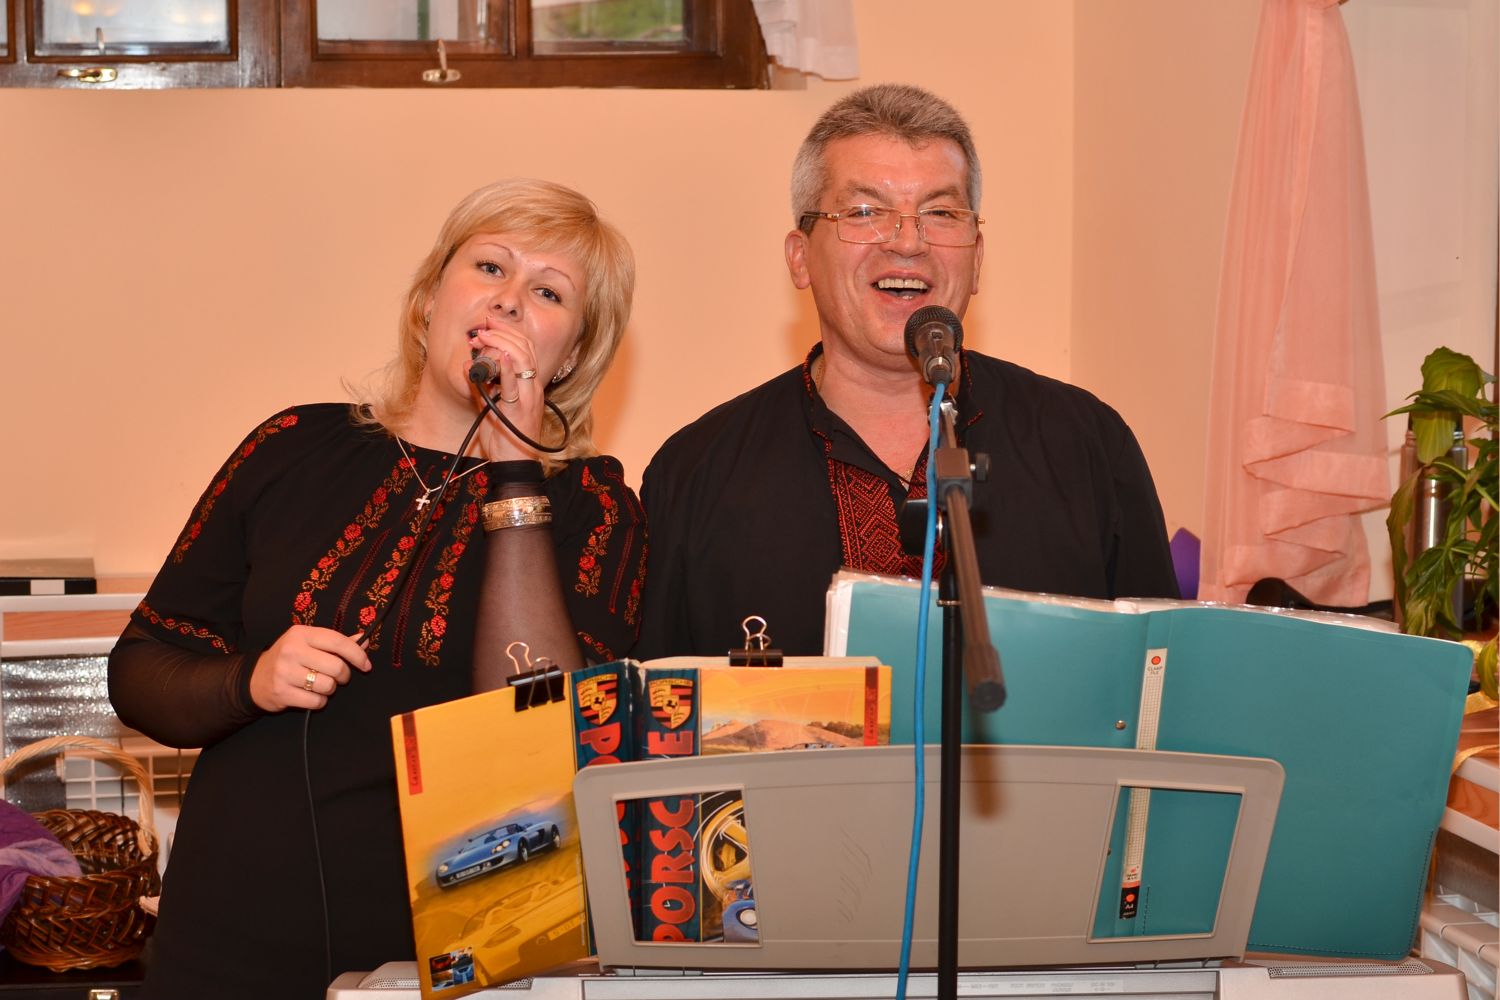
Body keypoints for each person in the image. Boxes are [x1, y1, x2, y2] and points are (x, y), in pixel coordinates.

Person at [107, 178, 646, 999]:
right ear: (430, 301)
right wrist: (248, 681)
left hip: (442, 956)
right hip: (224, 932)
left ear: (569, 356)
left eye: (548, 292)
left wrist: (514, 469)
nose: (507, 300)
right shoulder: (292, 444)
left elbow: (541, 731)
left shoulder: (595, 507)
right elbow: (140, 669)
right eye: (490, 267)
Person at [636, 83, 1177, 658]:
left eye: (940, 213)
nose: (908, 242)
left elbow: (1162, 682)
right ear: (800, 257)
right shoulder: (696, 473)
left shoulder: (1086, 445)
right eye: (865, 212)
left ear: (977, 259)